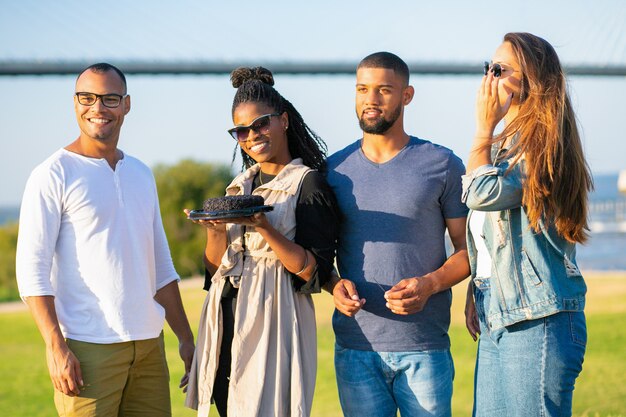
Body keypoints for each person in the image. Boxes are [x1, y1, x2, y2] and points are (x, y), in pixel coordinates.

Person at [15, 63, 195, 417]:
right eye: (87, 97)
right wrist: (55, 347)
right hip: (87, 350)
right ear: (75, 103)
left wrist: (186, 339)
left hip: (148, 347)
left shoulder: (141, 174)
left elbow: (160, 266)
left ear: (126, 105)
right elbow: (31, 270)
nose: (97, 108)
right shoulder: (52, 175)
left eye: (109, 99)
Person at [184, 67, 340, 417]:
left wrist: (265, 228)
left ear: (283, 120)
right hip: (225, 320)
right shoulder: (238, 186)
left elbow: (313, 273)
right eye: (241, 130)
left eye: (261, 124)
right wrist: (213, 229)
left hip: (274, 317)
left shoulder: (308, 184)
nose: (252, 135)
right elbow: (214, 273)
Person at [325, 52, 470, 417]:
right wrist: (333, 284)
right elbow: (320, 255)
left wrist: (430, 284)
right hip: (356, 348)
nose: (370, 100)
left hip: (424, 348)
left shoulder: (443, 164)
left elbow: (470, 251)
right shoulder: (332, 171)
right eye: (362, 89)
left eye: (383, 90)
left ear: (407, 96)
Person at [463, 32, 592, 416]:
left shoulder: (542, 145)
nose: (489, 78)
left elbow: (479, 193)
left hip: (539, 318)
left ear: (531, 81)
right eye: (488, 67)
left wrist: (483, 128)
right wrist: (479, 286)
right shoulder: (507, 145)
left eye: (499, 70)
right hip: (499, 311)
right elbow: (490, 231)